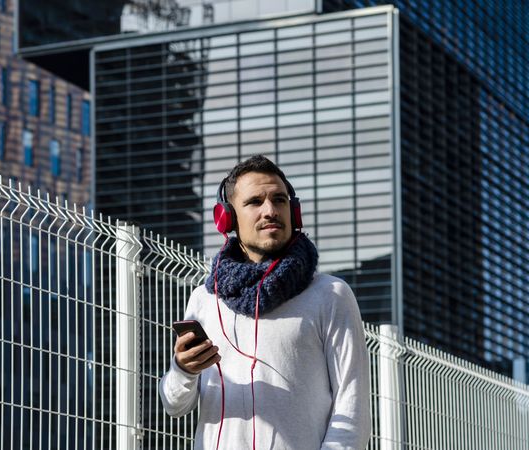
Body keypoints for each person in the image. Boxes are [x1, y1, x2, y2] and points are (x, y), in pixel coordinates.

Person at [159, 155, 371, 450]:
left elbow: (352, 407)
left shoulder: (331, 294)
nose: (270, 210)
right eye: (255, 201)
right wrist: (183, 370)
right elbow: (174, 404)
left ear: (294, 212)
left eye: (279, 200)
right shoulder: (204, 299)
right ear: (227, 218)